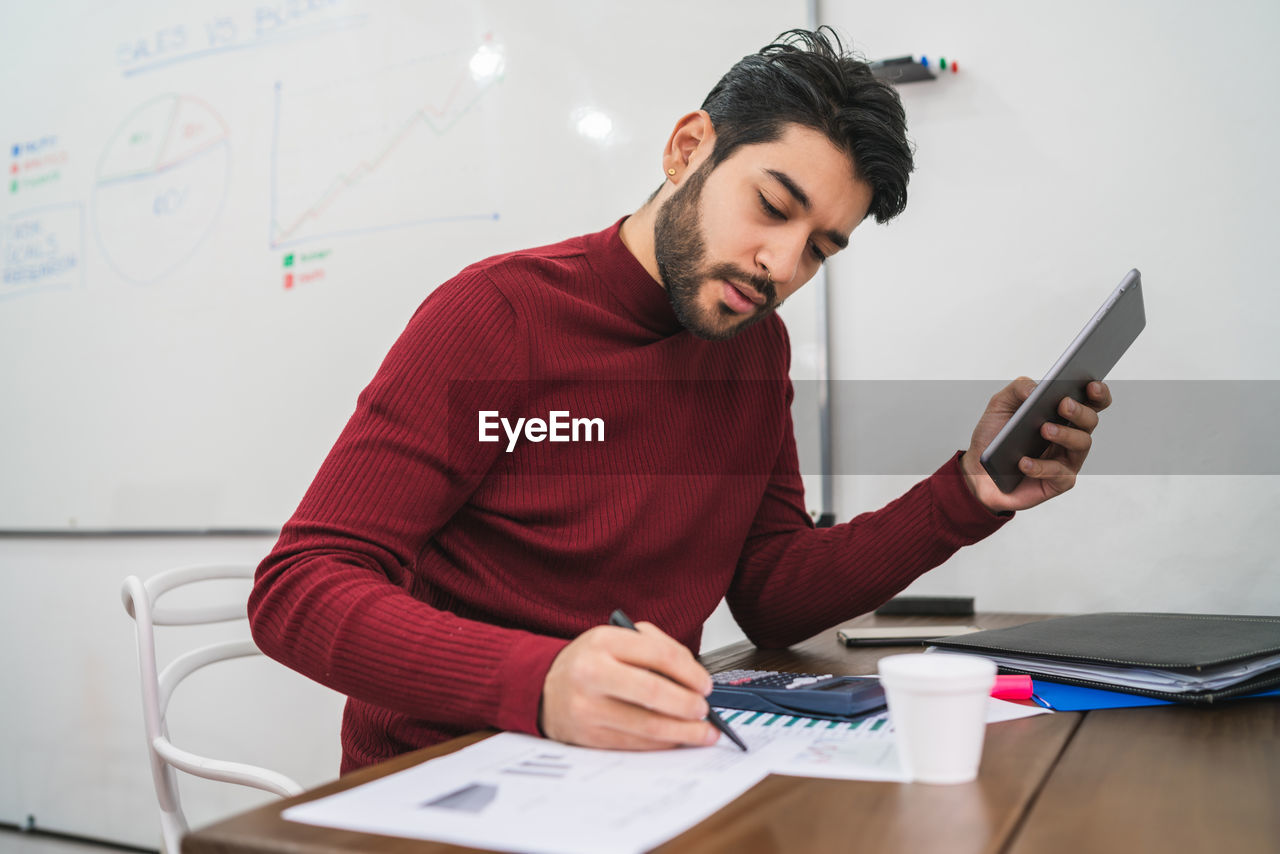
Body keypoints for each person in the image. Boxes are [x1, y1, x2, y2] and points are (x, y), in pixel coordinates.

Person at [249, 28, 1111, 772]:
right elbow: (300, 587)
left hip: (643, 767)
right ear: (687, 148)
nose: (782, 265)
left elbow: (771, 591)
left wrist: (966, 496)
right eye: (772, 207)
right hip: (453, 775)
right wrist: (541, 683)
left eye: (820, 249)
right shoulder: (498, 317)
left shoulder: (753, 348)